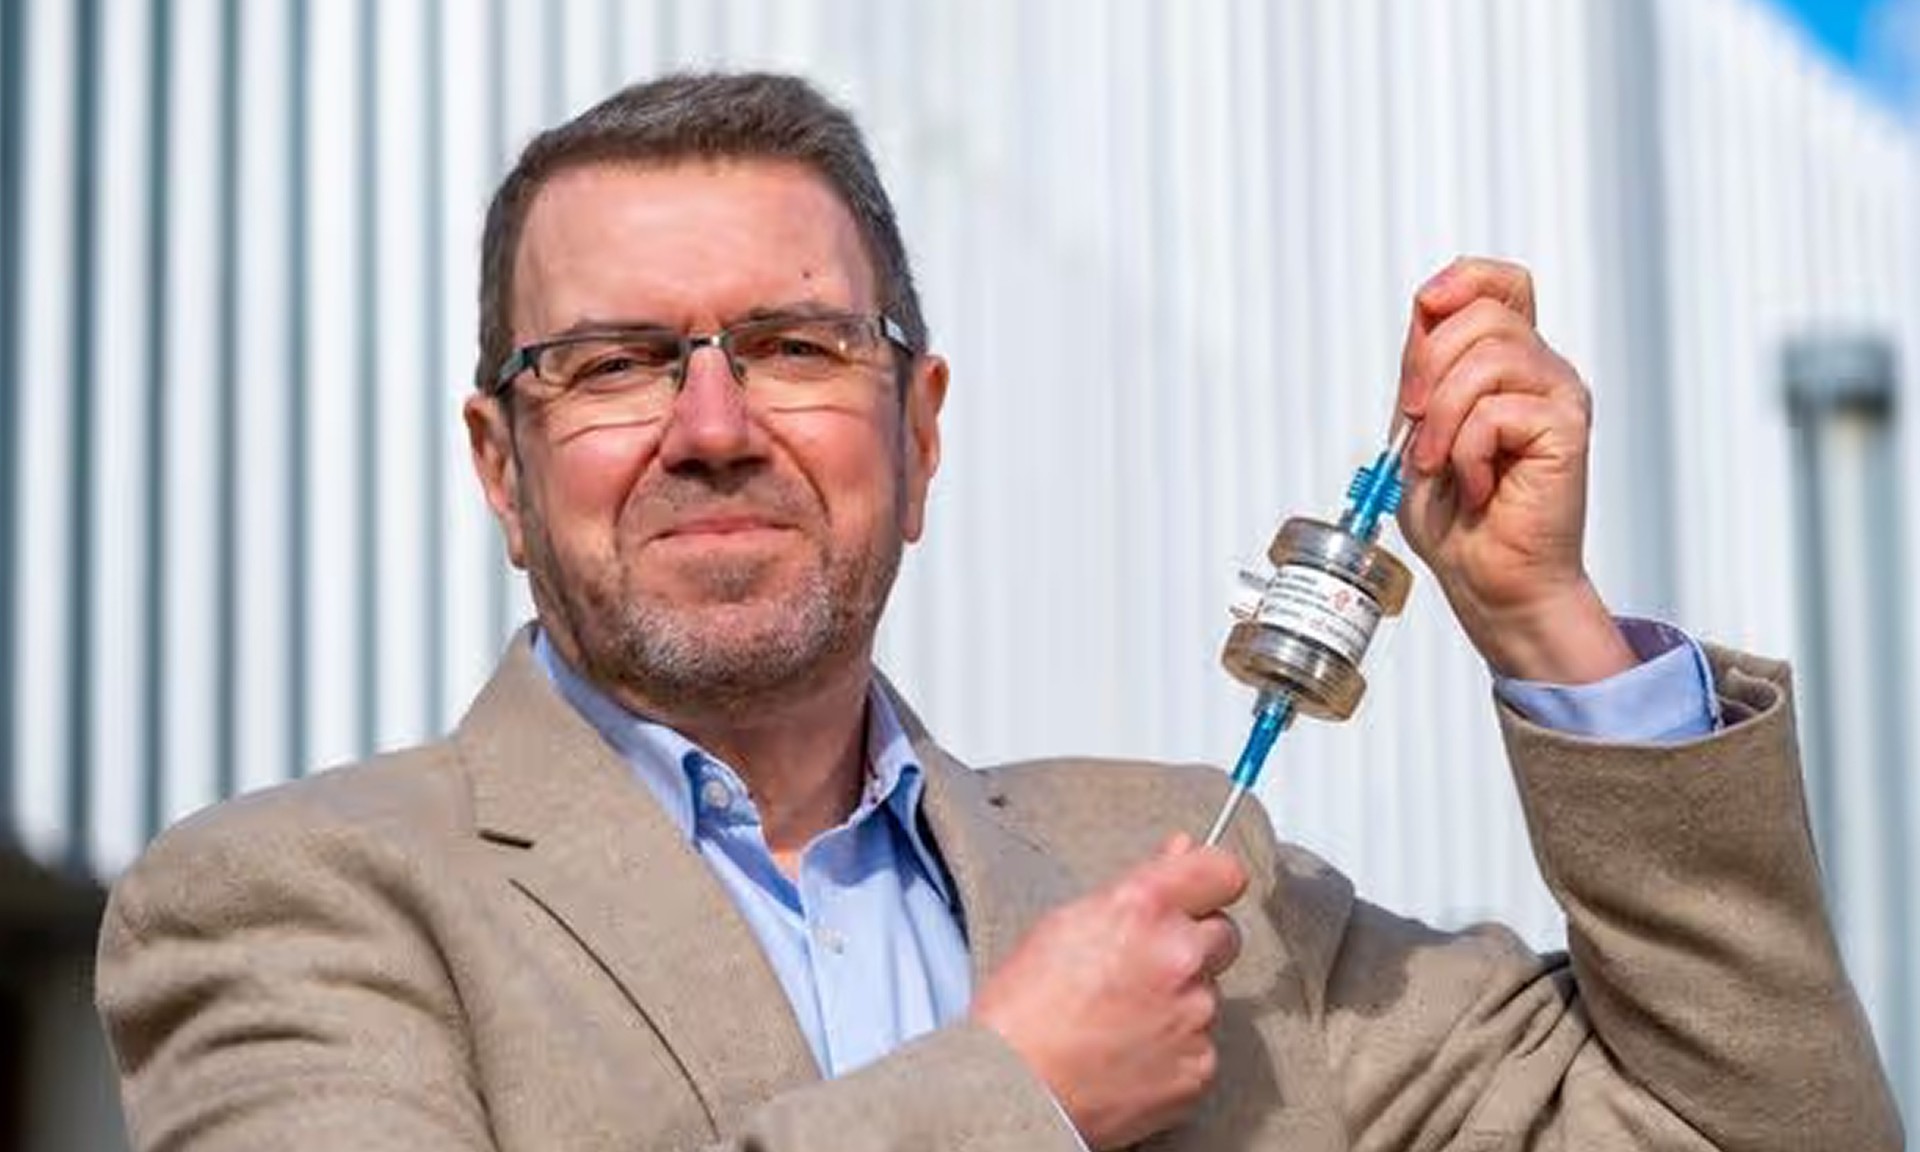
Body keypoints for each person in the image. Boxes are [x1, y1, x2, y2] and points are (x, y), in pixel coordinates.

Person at [95, 71, 1899, 1152]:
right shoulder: (292, 900)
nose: (713, 427)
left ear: (922, 432)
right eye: (618, 363)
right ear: (503, 467)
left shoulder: (1210, 894)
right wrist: (1014, 1096)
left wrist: (1547, 628)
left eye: (795, 346)